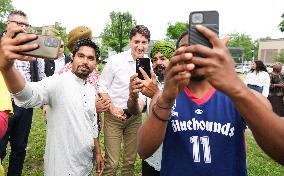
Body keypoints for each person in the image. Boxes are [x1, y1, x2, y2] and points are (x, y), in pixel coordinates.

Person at [136, 25, 284, 175]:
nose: (194, 54)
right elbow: (143, 150)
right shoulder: (166, 97)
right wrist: (166, 100)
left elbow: (278, 141)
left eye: (202, 48)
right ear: (177, 57)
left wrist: (237, 88)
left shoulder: (236, 95)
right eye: (187, 49)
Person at [0, 26, 104, 176]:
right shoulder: (58, 82)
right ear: (72, 58)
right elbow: (27, 95)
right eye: (81, 56)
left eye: (90, 58)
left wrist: (99, 153)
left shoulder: (90, 89)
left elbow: (92, 125)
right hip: (61, 168)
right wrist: (7, 68)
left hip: (85, 166)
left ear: (95, 64)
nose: (85, 61)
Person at [99, 25, 150, 176]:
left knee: (130, 162)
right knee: (112, 163)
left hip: (134, 118)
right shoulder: (116, 60)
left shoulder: (148, 64)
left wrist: (138, 108)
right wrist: (112, 107)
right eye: (137, 41)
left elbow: (145, 93)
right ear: (130, 41)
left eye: (144, 42)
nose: (140, 46)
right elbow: (102, 85)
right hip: (114, 116)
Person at [0, 10, 46, 176]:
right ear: (8, 24)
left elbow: (41, 77)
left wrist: (43, 104)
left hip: (25, 104)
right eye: (19, 23)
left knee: (20, 147)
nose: (23, 28)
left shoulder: (32, 47)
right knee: (0, 147)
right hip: (3, 106)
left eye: (26, 25)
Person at [127, 40, 175, 175]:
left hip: (176, 159)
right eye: (154, 59)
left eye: (163, 58)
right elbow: (135, 110)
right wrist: (133, 96)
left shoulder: (182, 85)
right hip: (152, 157)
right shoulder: (149, 83)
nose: (158, 62)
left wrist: (155, 94)